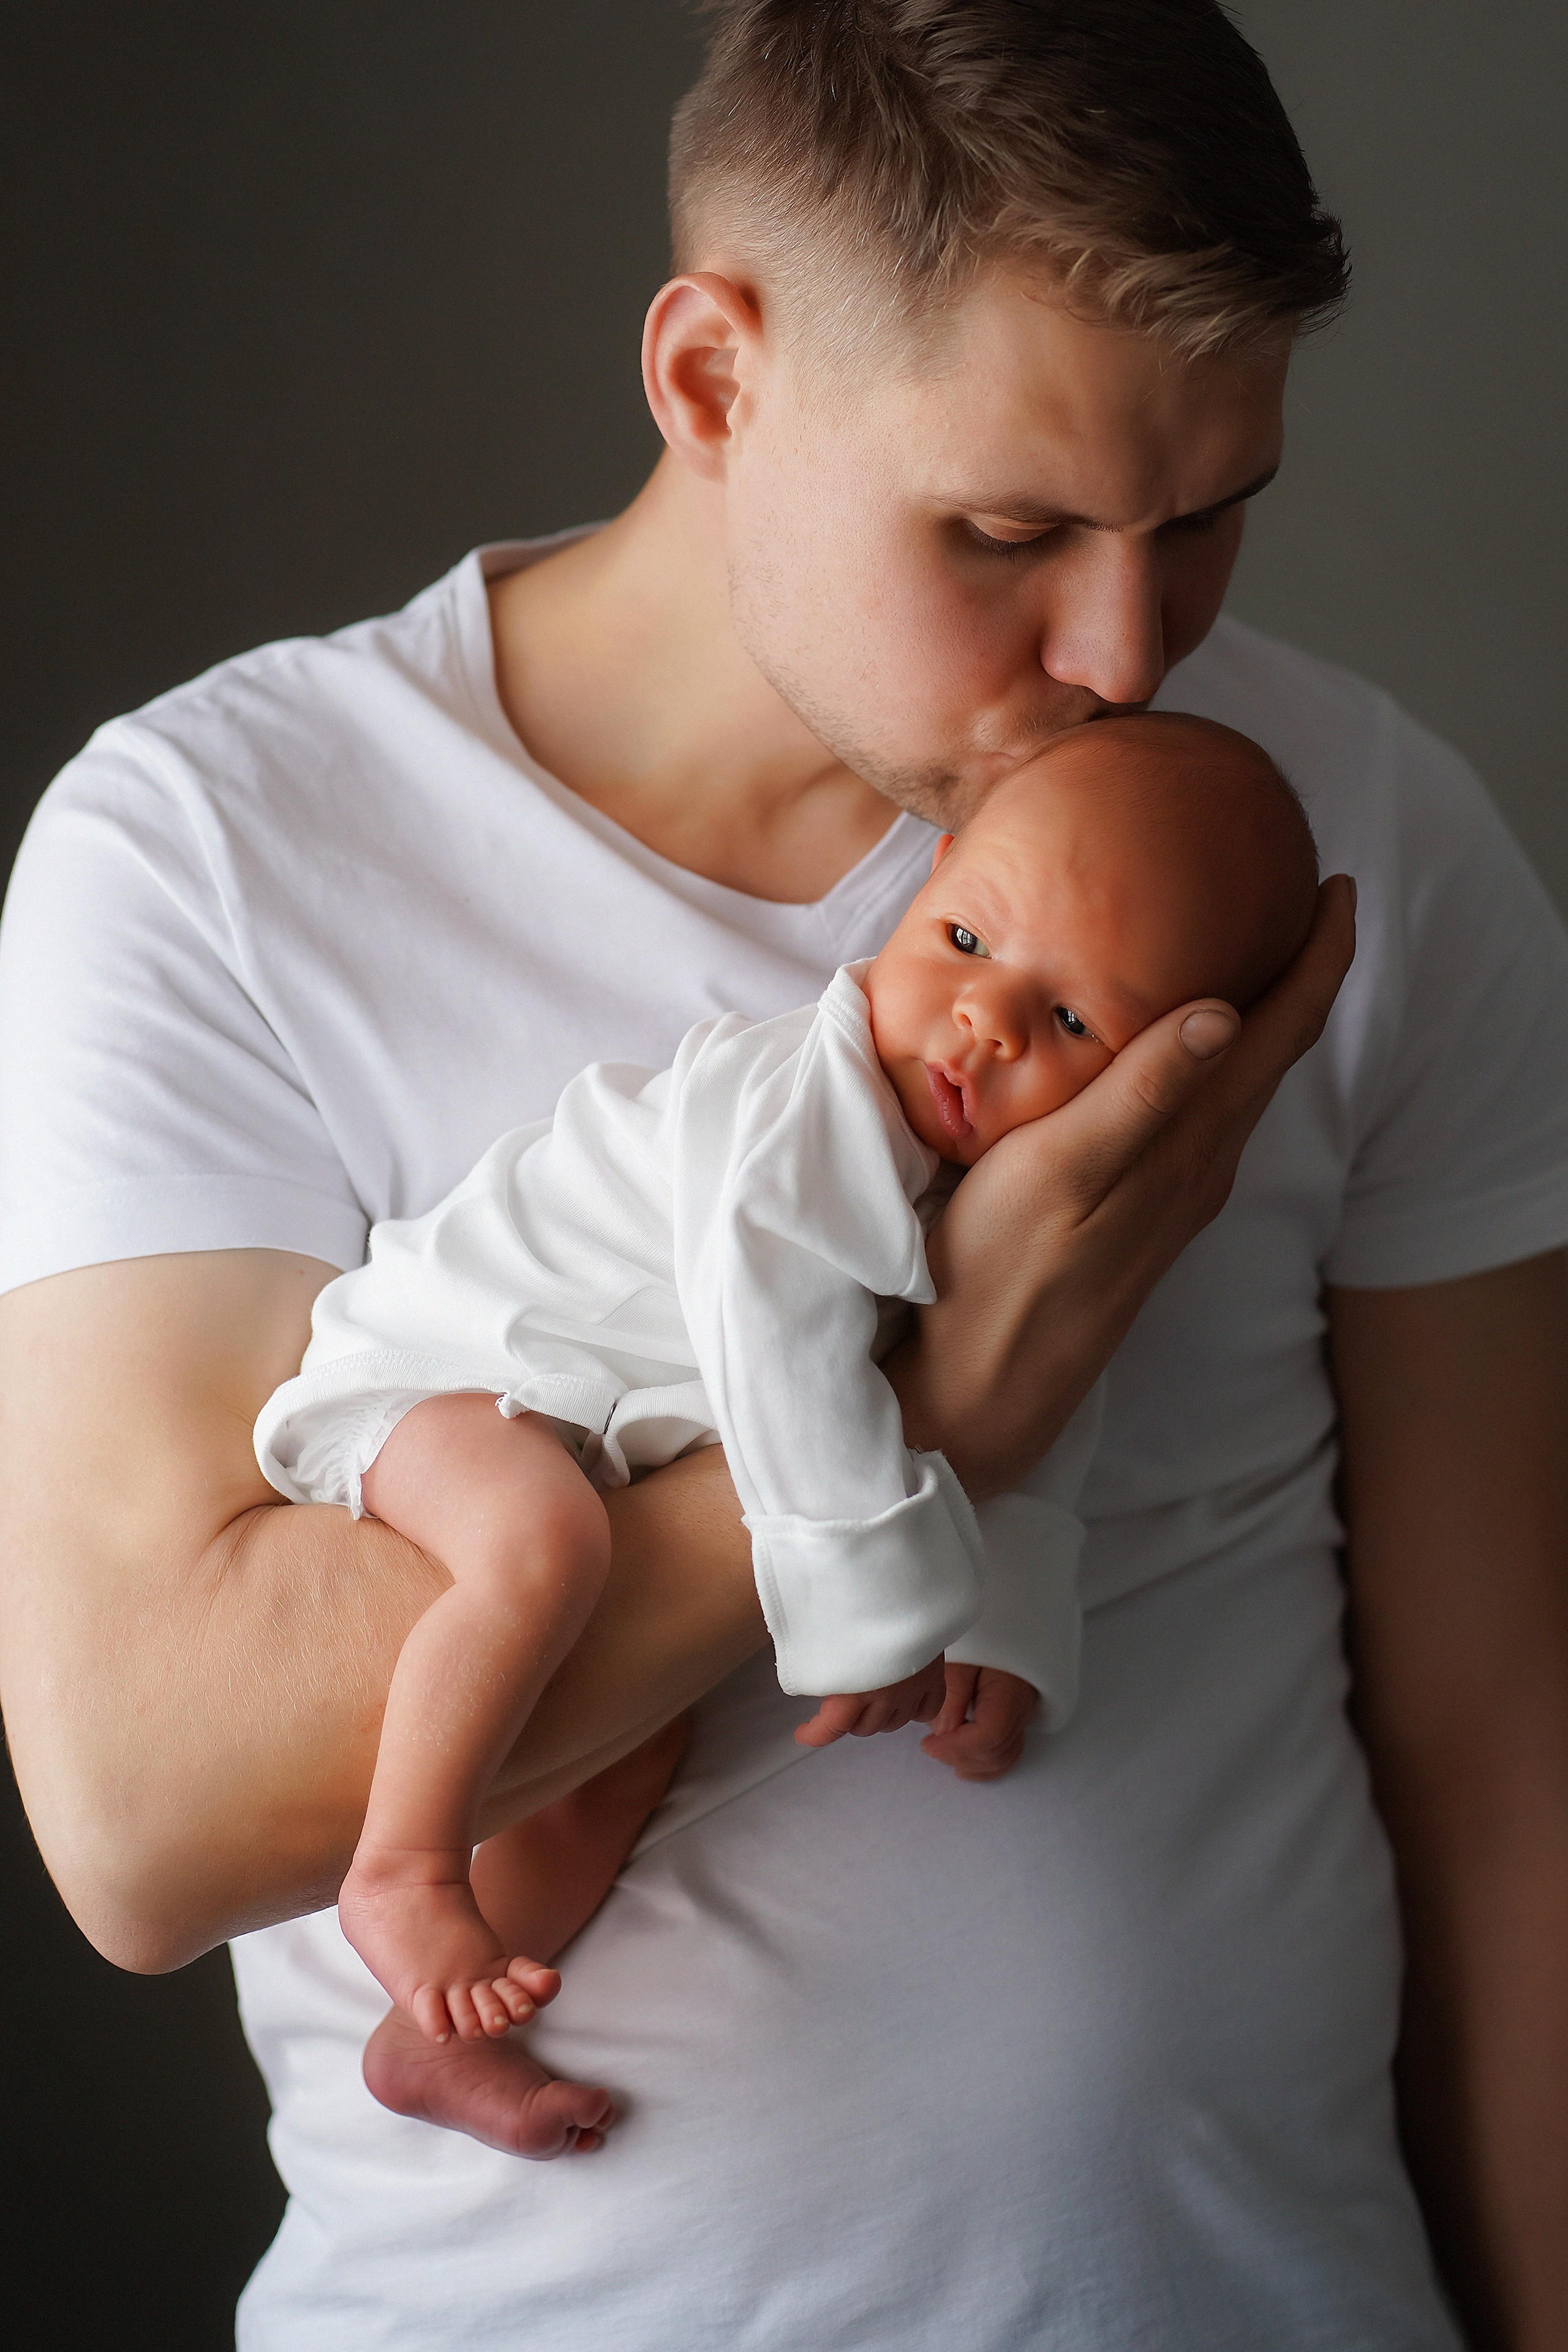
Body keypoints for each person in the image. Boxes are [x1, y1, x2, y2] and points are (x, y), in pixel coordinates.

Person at [1, 4, 1564, 2346]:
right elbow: (144, 1820)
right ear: (712, 379)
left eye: (1206, 515)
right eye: (1009, 532)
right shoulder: (216, 853)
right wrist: (952, 1413)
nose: (1127, 650)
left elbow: (1503, 1753)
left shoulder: (1355, 847)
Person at [251, 714, 1319, 2158]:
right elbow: (780, 1341)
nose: (984, 1022)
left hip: (580, 1422)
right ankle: (403, 1869)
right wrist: (873, 1612)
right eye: (962, 940)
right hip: (437, 1371)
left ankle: (426, 2043)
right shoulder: (806, 1098)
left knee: (628, 1754)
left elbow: (1038, 1376)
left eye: (1072, 1023)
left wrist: (1002, 1611)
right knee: (542, 1547)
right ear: (930, 873)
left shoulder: (993, 1187)